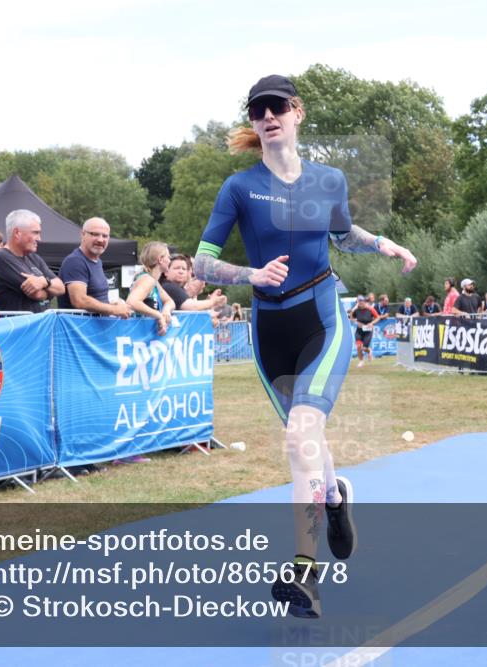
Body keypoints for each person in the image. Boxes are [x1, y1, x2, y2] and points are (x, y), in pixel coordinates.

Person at [192, 74, 416, 618]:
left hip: (321, 316)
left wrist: (383, 243)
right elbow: (200, 262)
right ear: (253, 122)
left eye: (276, 107)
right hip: (269, 331)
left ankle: (304, 572)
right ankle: (334, 497)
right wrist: (250, 273)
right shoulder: (238, 188)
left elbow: (341, 235)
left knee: (300, 434)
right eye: (257, 111)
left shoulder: (329, 180)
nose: (267, 117)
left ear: (297, 113)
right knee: (305, 442)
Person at [0, 209, 64, 313]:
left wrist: (44, 282)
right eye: (35, 233)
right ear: (17, 233)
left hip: (40, 326)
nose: (39, 239)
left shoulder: (34, 258)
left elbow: (61, 288)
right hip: (19, 327)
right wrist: (50, 291)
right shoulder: (1, 258)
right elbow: (36, 294)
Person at [58, 217, 131, 317]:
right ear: (83, 234)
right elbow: (79, 300)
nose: (100, 240)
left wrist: (116, 302)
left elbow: (100, 296)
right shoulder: (75, 261)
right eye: (95, 234)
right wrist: (113, 309)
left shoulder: (98, 262)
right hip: (79, 330)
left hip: (95, 330)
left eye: (105, 236)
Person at [126, 241, 175, 335]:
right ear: (160, 259)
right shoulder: (147, 280)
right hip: (137, 334)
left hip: (143, 336)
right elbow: (132, 302)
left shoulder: (153, 281)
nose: (170, 261)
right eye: (168, 257)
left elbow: (170, 301)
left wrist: (166, 310)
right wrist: (158, 315)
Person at [160, 253, 226, 315]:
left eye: (184, 269)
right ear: (166, 272)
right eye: (176, 268)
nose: (181, 271)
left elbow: (193, 310)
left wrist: (209, 302)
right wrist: (213, 301)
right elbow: (191, 306)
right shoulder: (168, 286)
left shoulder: (178, 288)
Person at [350, 296, 381, 368]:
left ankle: (369, 351)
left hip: (368, 330)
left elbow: (378, 317)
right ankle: (361, 361)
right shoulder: (356, 310)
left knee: (364, 348)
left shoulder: (370, 309)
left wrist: (372, 323)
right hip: (359, 330)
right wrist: (357, 322)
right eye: (359, 302)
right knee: (358, 346)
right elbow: (351, 318)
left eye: (362, 302)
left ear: (365, 302)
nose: (361, 303)